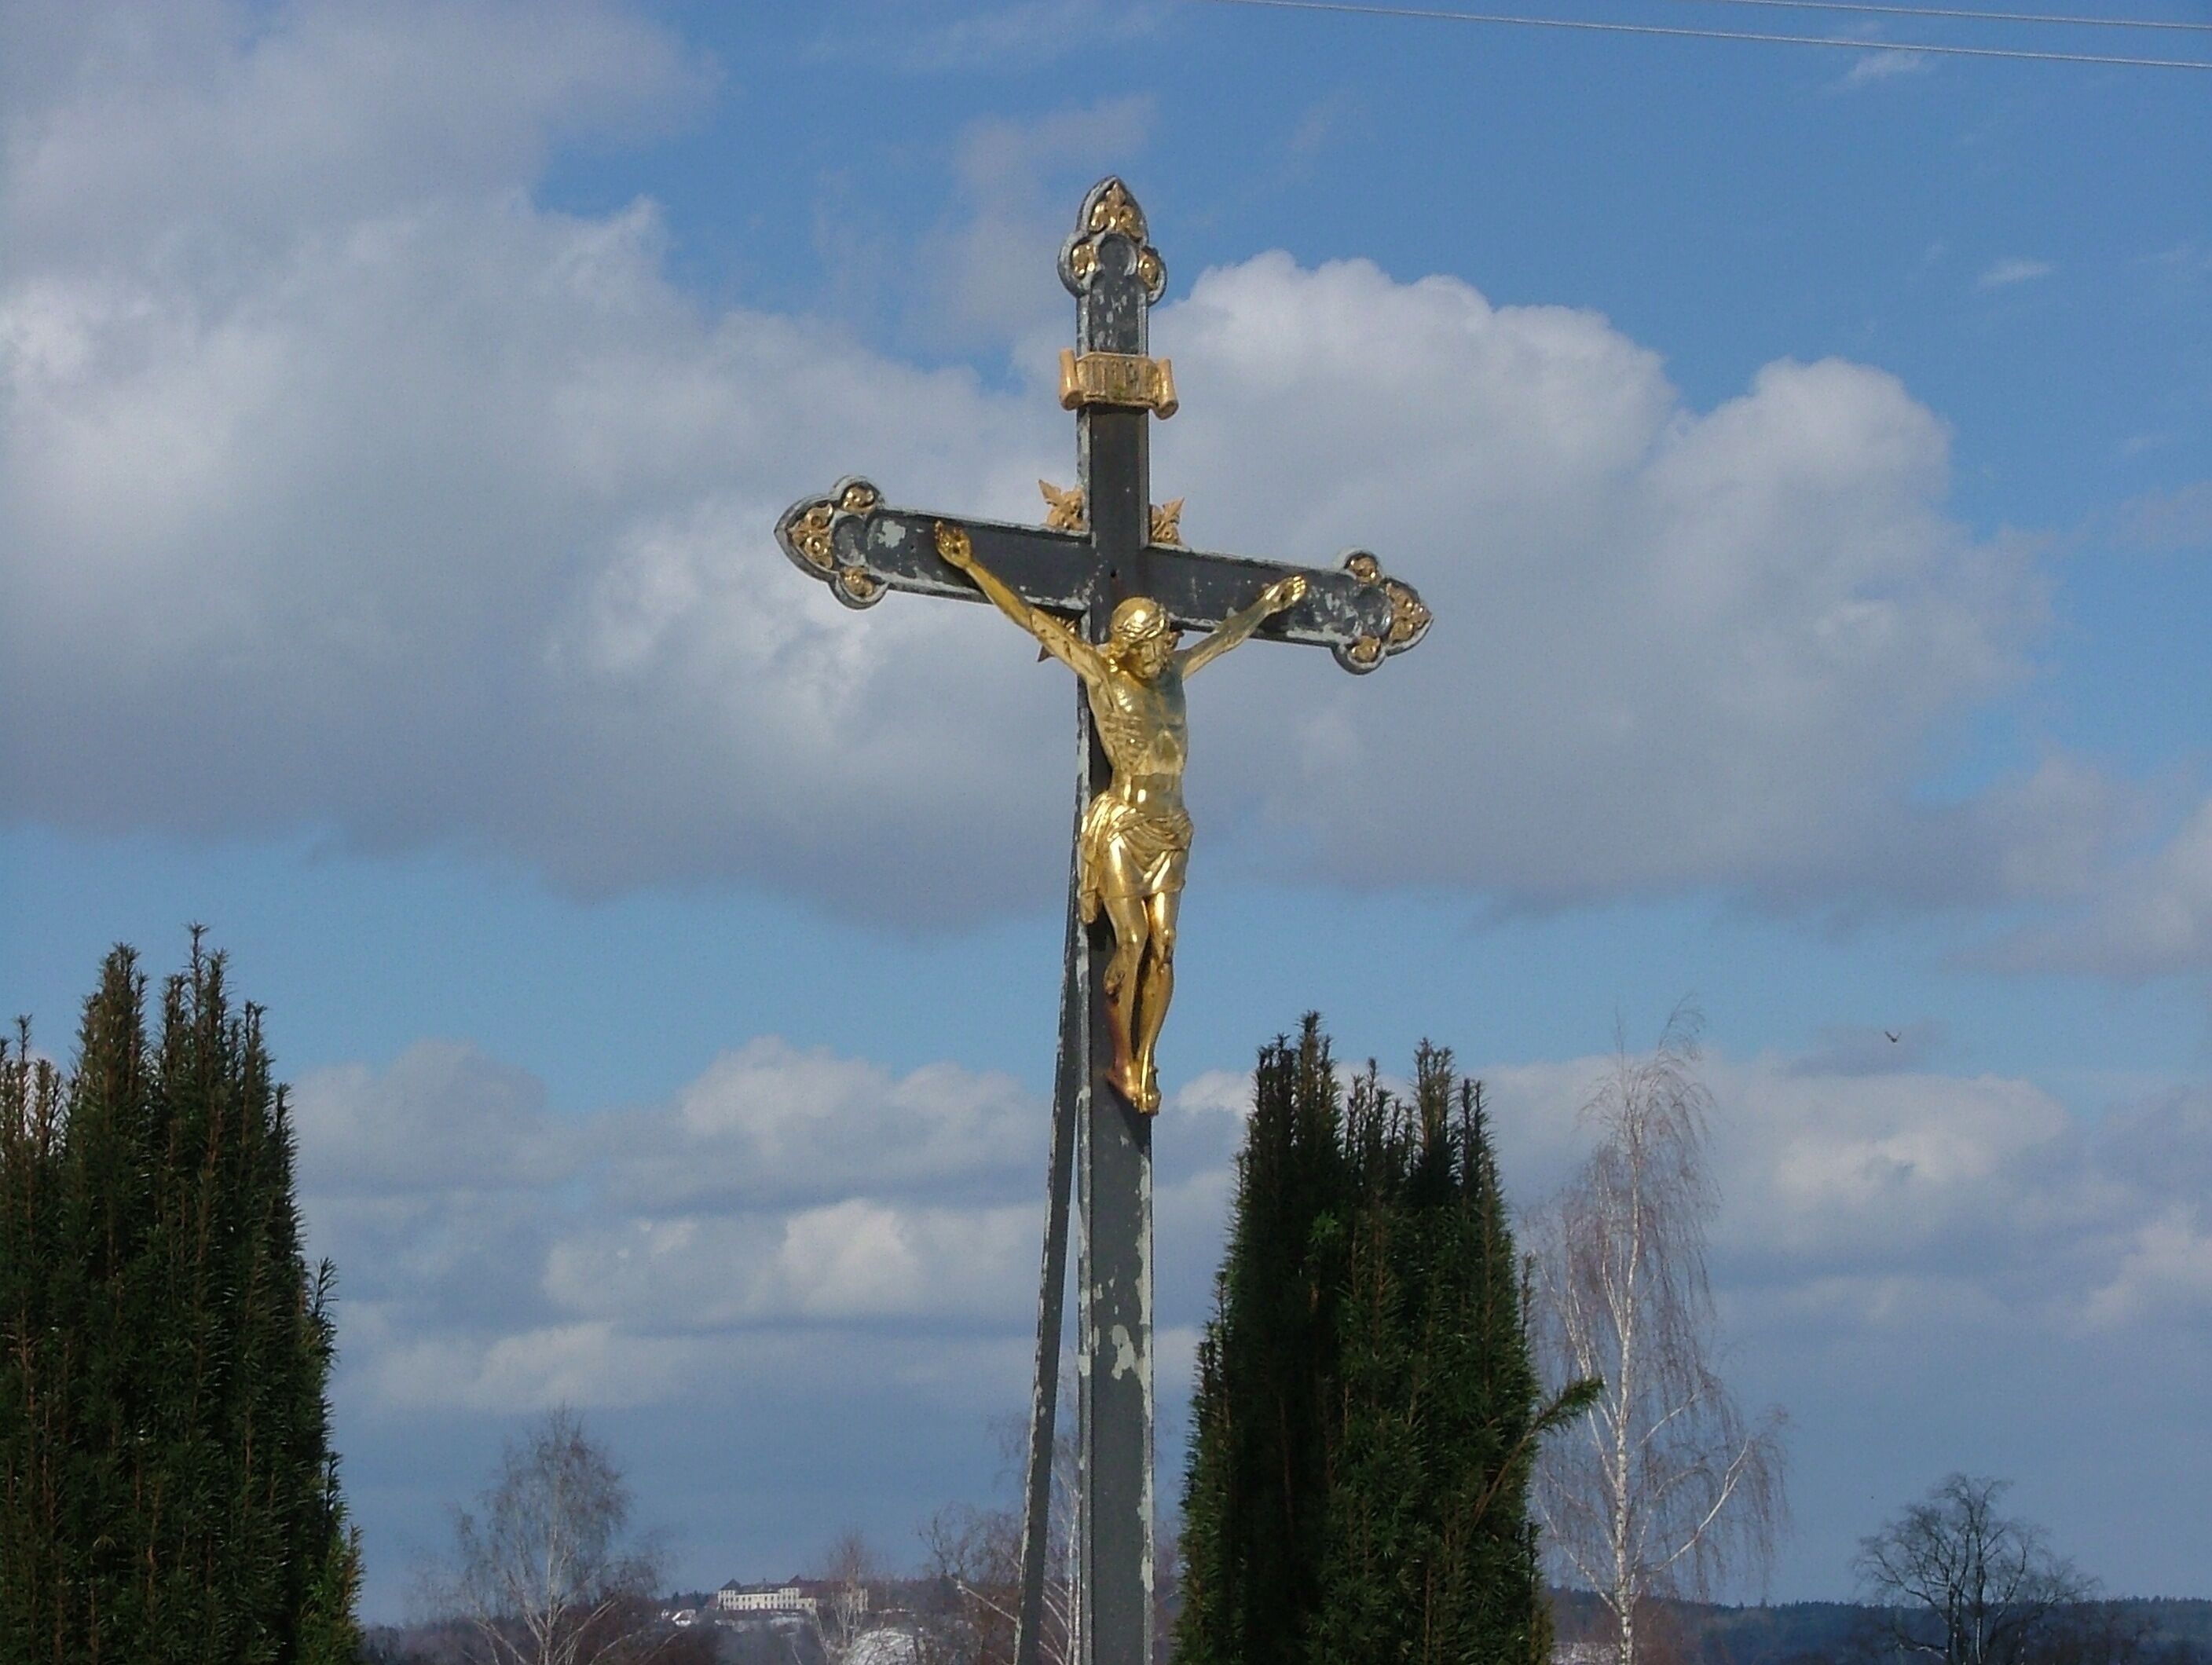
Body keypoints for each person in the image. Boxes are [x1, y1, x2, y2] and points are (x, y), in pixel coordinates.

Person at [935, 521, 1305, 1111]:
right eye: (1157, 641)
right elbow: (1035, 623)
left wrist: (1266, 603)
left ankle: (1148, 1058)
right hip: (1123, 824)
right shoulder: (1107, 676)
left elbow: (1227, 638)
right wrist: (972, 567)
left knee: (1166, 944)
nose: (1168, 646)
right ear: (1131, 645)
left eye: (1167, 638)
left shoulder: (1176, 675)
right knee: (1130, 942)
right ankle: (1122, 1061)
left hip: (1172, 825)